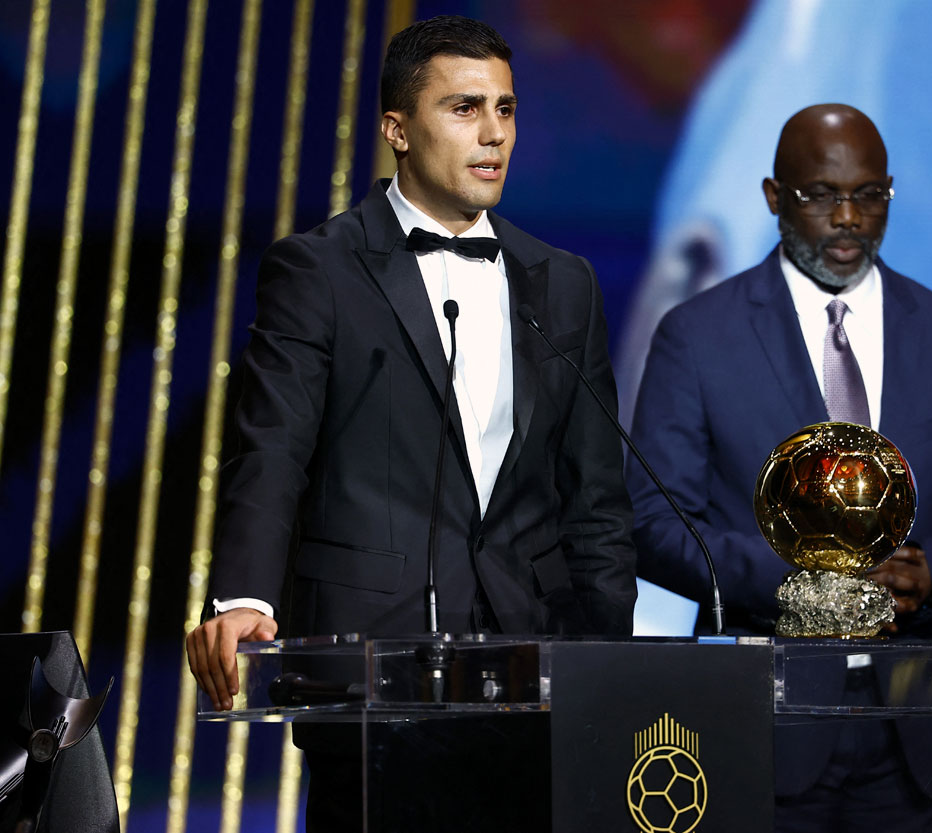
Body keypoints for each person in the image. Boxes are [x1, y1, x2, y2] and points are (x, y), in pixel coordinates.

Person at [185, 15, 636, 829]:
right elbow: (274, 445)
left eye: (506, 109)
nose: (494, 133)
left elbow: (596, 499)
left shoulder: (564, 283)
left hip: (530, 669)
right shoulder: (317, 268)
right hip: (369, 664)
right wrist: (244, 593)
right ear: (397, 128)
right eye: (464, 109)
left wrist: (604, 657)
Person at [627, 104, 932, 831]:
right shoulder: (698, 336)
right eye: (821, 195)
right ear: (774, 196)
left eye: (869, 195)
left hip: (914, 721)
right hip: (759, 718)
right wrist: (797, 585)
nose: (848, 217)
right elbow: (657, 523)